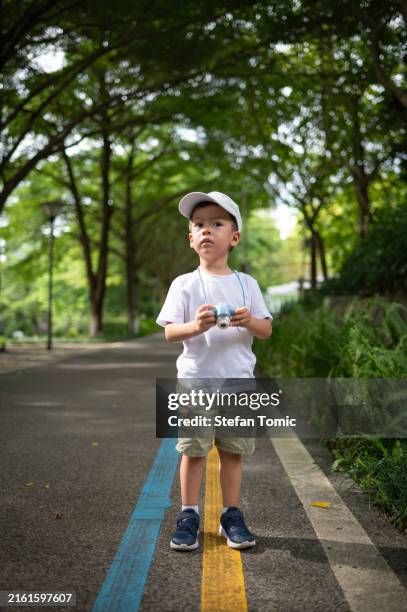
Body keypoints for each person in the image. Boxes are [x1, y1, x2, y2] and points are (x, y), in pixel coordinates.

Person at [156, 190, 273, 551]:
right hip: (195, 382)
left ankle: (231, 514)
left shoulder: (246, 284)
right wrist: (197, 326)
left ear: (234, 237)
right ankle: (188, 513)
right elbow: (169, 331)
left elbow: (266, 330)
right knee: (192, 450)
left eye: (217, 224)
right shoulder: (184, 284)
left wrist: (249, 320)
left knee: (232, 452)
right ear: (191, 239)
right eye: (199, 225)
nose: (206, 230)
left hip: (239, 383)